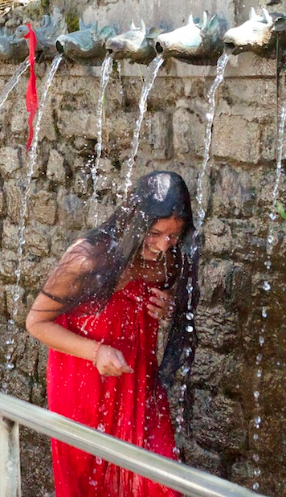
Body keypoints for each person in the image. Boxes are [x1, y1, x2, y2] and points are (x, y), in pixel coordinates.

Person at [26, 171, 200, 496]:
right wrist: (96, 352)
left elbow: (158, 306)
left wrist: (168, 306)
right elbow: (36, 323)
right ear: (134, 222)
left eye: (174, 236)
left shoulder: (170, 260)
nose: (164, 245)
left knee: (161, 484)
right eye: (155, 233)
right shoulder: (88, 258)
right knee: (87, 486)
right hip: (82, 381)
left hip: (138, 382)